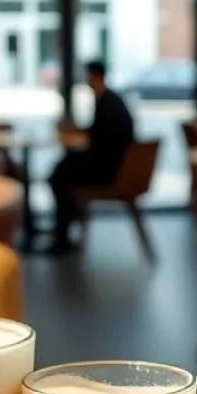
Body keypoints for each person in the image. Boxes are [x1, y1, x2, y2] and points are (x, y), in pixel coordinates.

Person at [48, 61, 135, 253]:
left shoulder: (106, 103)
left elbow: (99, 143)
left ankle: (61, 237)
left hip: (109, 171)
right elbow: (99, 134)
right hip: (113, 165)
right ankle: (62, 233)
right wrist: (78, 130)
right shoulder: (110, 100)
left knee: (59, 175)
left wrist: (77, 136)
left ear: (94, 77)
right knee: (63, 168)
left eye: (88, 76)